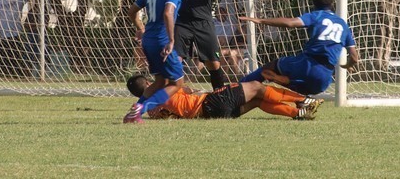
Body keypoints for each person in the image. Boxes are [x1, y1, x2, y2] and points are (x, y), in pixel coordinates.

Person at [239, 0, 359, 96]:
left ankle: (236, 89)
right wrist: (348, 65)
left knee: (270, 67)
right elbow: (354, 57)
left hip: (307, 64)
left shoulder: (316, 16)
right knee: (306, 90)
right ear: (332, 3)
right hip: (325, 77)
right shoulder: (343, 24)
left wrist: (261, 21)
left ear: (313, 3)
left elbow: (289, 23)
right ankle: (291, 87)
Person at [123, 0, 184, 124]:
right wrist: (171, 41)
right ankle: (141, 109)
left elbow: (131, 12)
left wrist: (141, 28)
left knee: (160, 81)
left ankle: (133, 114)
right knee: (177, 83)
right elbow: (168, 12)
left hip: (148, 40)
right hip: (162, 40)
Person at [126, 74, 322, 121]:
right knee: (257, 86)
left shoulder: (150, 109)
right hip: (211, 102)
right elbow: (185, 87)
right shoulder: (163, 87)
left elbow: (169, 114)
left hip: (211, 114)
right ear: (148, 81)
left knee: (256, 101)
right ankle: (302, 100)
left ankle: (299, 113)